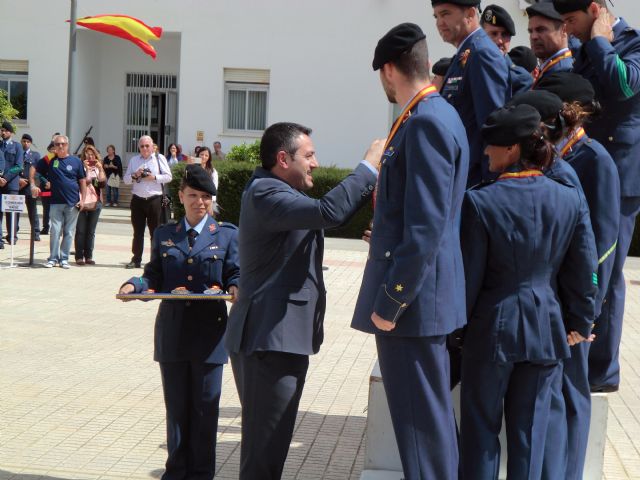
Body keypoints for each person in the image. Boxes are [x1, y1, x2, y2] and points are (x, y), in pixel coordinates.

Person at [225, 122, 379, 479]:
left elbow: (327, 216)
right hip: (269, 341)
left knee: (270, 449)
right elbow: (328, 212)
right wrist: (368, 166)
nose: (315, 163)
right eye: (308, 155)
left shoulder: (280, 192)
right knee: (263, 456)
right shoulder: (266, 193)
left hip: (277, 340)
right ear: (283, 158)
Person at [351, 23, 469, 480]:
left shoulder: (425, 123)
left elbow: (425, 226)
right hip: (423, 302)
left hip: (412, 305)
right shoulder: (437, 116)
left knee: (421, 428)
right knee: (427, 424)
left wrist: (391, 300)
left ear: (388, 70)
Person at [460, 104, 598, 480]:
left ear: (513, 150)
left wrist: (457, 334)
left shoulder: (480, 200)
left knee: (480, 433)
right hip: (545, 328)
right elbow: (583, 268)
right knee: (532, 435)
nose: (485, 152)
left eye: (492, 145)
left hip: (491, 331)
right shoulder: (567, 197)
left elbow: (469, 278)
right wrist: (580, 321)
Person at [118, 164, 239, 480]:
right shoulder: (164, 234)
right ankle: (175, 474)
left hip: (209, 337)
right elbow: (154, 274)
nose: (200, 202)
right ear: (181, 197)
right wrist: (135, 286)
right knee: (176, 412)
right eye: (193, 195)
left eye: (206, 197)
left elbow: (234, 273)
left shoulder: (226, 235)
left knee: (204, 412)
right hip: (172, 334)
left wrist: (237, 287)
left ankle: (200, 475)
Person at [536, 71, 620, 480]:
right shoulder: (558, 155)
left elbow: (604, 245)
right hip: (550, 297)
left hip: (575, 305)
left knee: (572, 393)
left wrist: (586, 312)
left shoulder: (595, 160)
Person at [554, 0, 640, 392]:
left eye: (571, 20)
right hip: (585, 167)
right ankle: (576, 357)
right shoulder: (585, 46)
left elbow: (622, 87)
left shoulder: (631, 44)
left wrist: (602, 42)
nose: (568, 29)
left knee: (608, 271)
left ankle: (602, 373)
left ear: (594, 8)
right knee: (581, 267)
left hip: (619, 179)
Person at [434, 0, 511, 186]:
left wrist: (488, 188)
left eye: (445, 14)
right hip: (461, 175)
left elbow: (493, 126)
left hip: (474, 181)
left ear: (469, 14)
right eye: (436, 16)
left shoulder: (482, 53)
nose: (439, 23)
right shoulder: (467, 53)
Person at [31, 135, 86, 269]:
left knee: (68, 232)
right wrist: (35, 184)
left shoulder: (76, 161)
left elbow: (82, 181)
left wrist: (83, 199)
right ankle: (53, 258)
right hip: (55, 202)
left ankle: (64, 259)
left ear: (67, 145)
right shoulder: (50, 159)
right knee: (55, 231)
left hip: (73, 202)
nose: (60, 146)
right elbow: (35, 170)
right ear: (54, 146)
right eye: (57, 144)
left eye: (63, 144)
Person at [123, 135, 172, 269]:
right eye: (142, 146)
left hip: (154, 200)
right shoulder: (134, 160)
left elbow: (168, 177)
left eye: (147, 146)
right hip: (138, 200)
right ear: (138, 147)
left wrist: (154, 177)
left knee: (155, 232)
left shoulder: (159, 158)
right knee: (137, 232)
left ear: (152, 146)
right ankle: (136, 259)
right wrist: (136, 175)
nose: (144, 148)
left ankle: (155, 261)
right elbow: (126, 179)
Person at [527, 1, 573, 87]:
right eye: (530, 31)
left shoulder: (563, 71)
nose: (533, 36)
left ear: (563, 30)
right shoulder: (551, 67)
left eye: (541, 29)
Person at [74, 145, 106, 265]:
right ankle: (79, 256)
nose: (90, 157)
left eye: (92, 155)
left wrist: (101, 169)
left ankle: (89, 256)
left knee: (91, 231)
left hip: (96, 202)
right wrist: (87, 170)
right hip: (82, 201)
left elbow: (102, 184)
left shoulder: (98, 167)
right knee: (81, 230)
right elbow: (84, 181)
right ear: (84, 156)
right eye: (87, 154)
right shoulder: (79, 166)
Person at [0, 121, 24, 247]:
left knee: (11, 213)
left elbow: (19, 166)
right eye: (1, 130)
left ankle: (12, 236)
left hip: (11, 185)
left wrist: (5, 178)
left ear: (11, 132)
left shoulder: (17, 146)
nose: (3, 132)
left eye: (5, 130)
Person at [18, 133, 41, 241]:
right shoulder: (17, 153)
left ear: (30, 143)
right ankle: (13, 232)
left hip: (29, 187)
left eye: (27, 142)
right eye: (24, 141)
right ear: (21, 142)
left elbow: (37, 171)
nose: (25, 143)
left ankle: (36, 232)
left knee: (32, 211)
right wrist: (18, 180)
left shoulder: (35, 155)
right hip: (17, 185)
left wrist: (29, 181)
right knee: (15, 210)